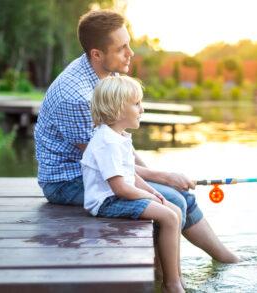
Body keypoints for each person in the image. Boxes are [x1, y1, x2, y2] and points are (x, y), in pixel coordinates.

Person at [34, 9, 240, 264]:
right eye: (122, 48)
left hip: (101, 168)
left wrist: (155, 175)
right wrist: (162, 178)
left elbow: (119, 146)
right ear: (97, 54)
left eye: (128, 44)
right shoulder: (76, 97)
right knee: (172, 198)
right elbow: (104, 160)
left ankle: (225, 259)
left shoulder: (108, 73)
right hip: (68, 181)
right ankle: (163, 276)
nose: (130, 53)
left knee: (180, 195)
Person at [82, 76, 184, 292]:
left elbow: (130, 175)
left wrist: (153, 191)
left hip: (119, 195)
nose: (142, 109)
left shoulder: (119, 137)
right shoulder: (107, 142)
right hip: (106, 202)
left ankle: (175, 276)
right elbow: (119, 188)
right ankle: (171, 285)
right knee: (169, 217)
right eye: (136, 104)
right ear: (117, 109)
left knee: (175, 210)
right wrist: (147, 197)